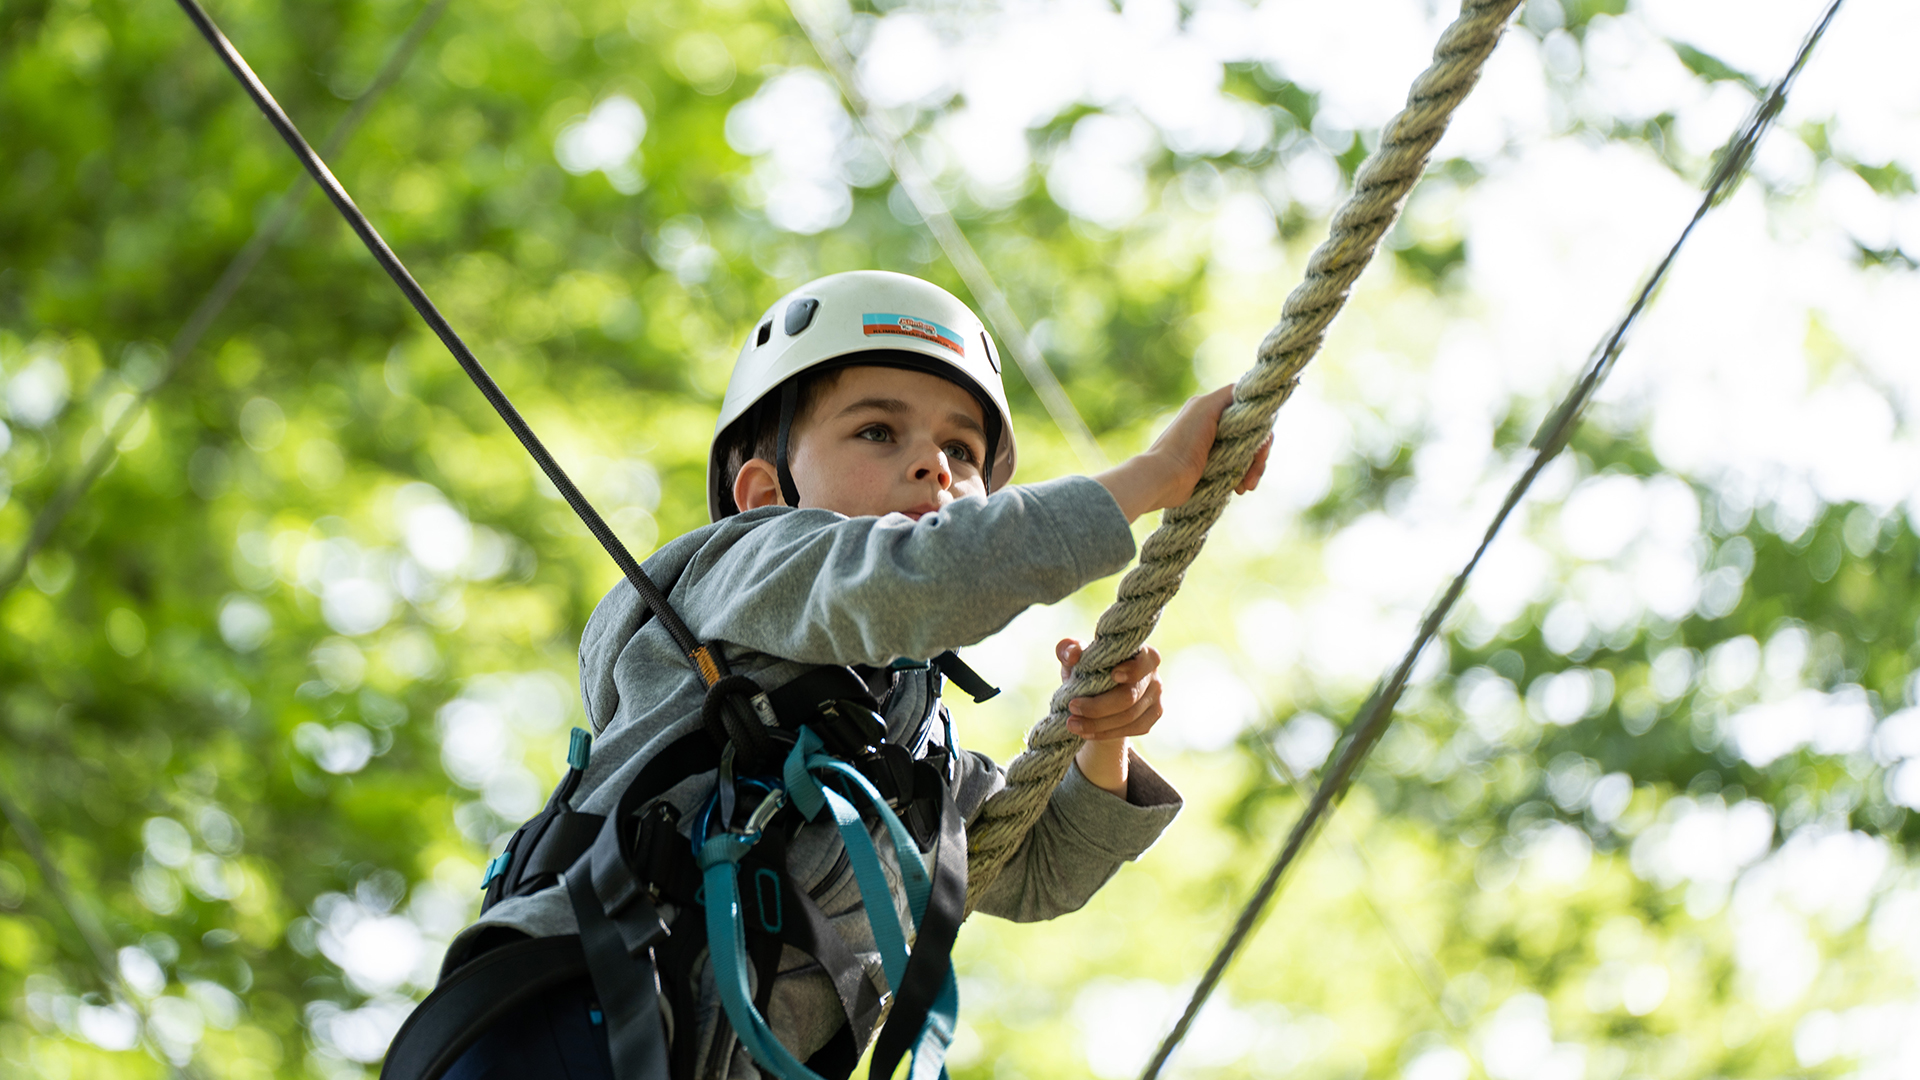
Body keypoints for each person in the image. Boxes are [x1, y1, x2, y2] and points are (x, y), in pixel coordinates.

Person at [426, 270, 1271, 1080]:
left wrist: (1101, 747)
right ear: (764, 493)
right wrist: (1151, 478)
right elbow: (916, 581)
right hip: (567, 1016)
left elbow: (1038, 869)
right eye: (877, 431)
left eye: (962, 450)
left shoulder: (909, 755)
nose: (934, 466)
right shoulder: (745, 570)